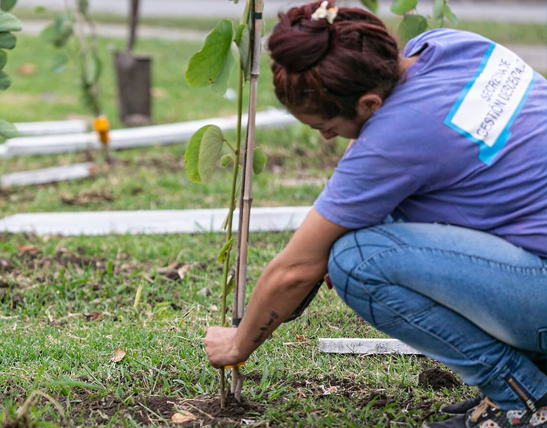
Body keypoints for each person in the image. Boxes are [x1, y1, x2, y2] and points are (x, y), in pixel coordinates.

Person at [203, 1, 547, 427]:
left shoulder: (397, 137)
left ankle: (526, 397)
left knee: (357, 260)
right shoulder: (450, 46)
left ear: (368, 103)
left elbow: (295, 270)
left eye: (323, 125)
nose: (327, 136)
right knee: (379, 225)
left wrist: (237, 343)